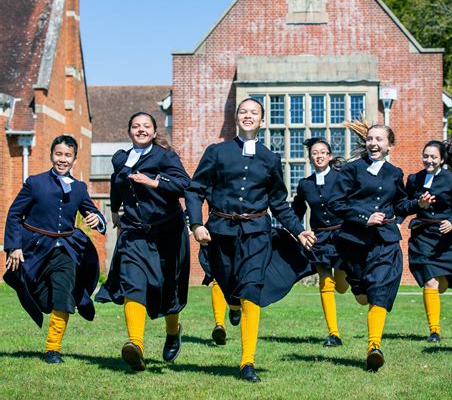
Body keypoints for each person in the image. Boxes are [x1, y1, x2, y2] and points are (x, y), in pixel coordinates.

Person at [185, 98, 316, 382]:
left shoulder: (270, 158)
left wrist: (299, 230)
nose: (248, 116)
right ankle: (232, 306)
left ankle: (247, 362)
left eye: (254, 113)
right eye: (243, 111)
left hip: (258, 234)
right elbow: (195, 190)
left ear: (262, 121)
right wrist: (196, 224)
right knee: (230, 286)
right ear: (236, 118)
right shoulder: (217, 152)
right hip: (220, 232)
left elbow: (279, 203)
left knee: (251, 290)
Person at [328, 124, 434, 371]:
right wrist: (364, 217)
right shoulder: (351, 170)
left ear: (389, 145)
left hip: (385, 241)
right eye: (370, 139)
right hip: (354, 242)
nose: (373, 143)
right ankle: (344, 274)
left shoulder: (395, 173)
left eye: (379, 139)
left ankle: (373, 347)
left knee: (379, 290)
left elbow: (399, 205)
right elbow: (335, 203)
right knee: (363, 296)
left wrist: (419, 203)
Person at [96, 112, 191, 371]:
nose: (141, 130)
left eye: (146, 126)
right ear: (129, 131)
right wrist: (115, 210)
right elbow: (116, 184)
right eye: (136, 126)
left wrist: (154, 181)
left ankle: (173, 331)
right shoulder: (122, 158)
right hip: (135, 233)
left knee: (167, 288)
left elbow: (184, 184)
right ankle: (135, 345)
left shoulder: (165, 156)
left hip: (167, 233)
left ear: (153, 131)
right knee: (132, 283)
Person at [3, 135, 106, 364]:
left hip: (66, 250)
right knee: (43, 300)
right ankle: (77, 298)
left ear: (74, 159)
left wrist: (96, 220)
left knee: (62, 296)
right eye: (58, 154)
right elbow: (14, 214)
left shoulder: (79, 188)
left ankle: (53, 349)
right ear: (52, 155)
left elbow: (94, 213)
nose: (62, 159)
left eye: (68, 155)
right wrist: (14, 247)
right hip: (34, 250)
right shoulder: (34, 183)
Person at [406, 140, 452, 342]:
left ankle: (441, 282)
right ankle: (434, 331)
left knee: (440, 283)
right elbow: (405, 204)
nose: (429, 160)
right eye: (426, 156)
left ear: (442, 159)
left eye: (433, 156)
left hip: (445, 238)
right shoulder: (413, 179)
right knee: (430, 282)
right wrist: (417, 204)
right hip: (422, 236)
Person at [292, 138, 349, 347]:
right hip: (319, 237)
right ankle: (334, 334)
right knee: (326, 281)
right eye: (315, 153)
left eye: (323, 152)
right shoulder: (305, 184)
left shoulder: (342, 178)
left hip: (342, 236)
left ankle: (347, 280)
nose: (319, 156)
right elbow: (297, 211)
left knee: (341, 286)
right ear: (310, 158)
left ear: (330, 156)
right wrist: (293, 230)